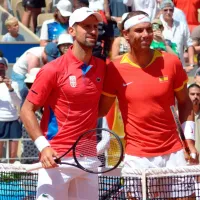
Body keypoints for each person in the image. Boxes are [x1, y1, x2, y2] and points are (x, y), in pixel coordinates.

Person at [99, 10, 198, 199]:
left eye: (148, 30)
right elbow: (101, 110)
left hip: (174, 153)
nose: (146, 35)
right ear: (125, 35)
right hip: (137, 157)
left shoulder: (171, 62)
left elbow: (185, 104)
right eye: (139, 31)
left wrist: (190, 142)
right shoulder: (114, 69)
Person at [20, 7, 105, 200]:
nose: (92, 31)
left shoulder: (102, 68)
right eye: (86, 26)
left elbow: (101, 109)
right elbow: (26, 110)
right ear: (72, 31)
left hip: (88, 157)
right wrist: (44, 147)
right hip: (56, 157)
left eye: (95, 26)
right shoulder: (52, 69)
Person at [159, 0, 195, 71]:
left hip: (180, 66)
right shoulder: (156, 25)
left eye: (171, 10)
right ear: (161, 11)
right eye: (165, 10)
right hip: (162, 66)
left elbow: (189, 44)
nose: (168, 12)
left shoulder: (182, 26)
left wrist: (191, 64)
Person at [0, 57, 22, 163]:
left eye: (2, 66)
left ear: (6, 68)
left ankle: (10, 176)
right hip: (0, 120)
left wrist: (10, 88)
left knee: (12, 154)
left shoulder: (14, 84)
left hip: (13, 120)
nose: (1, 69)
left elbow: (18, 103)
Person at [188, 83, 200, 158]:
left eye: (198, 94)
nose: (195, 96)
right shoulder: (178, 116)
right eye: (192, 94)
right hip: (187, 162)